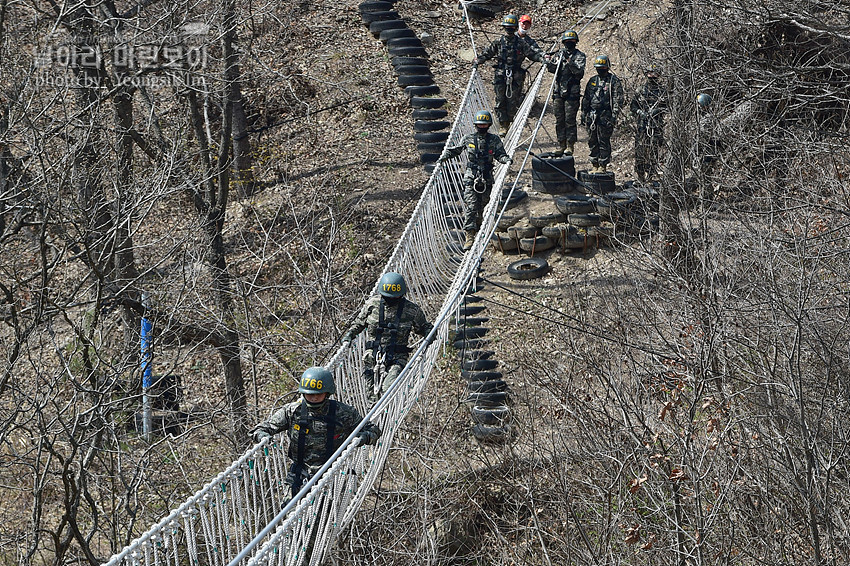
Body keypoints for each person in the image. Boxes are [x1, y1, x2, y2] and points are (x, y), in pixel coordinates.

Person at [252, 366, 382, 499]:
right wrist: (263, 436)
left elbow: (373, 430)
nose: (314, 398)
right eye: (310, 394)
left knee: (326, 516)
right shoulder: (292, 412)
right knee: (291, 513)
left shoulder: (344, 413)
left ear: (327, 393)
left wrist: (363, 438)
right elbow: (261, 428)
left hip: (333, 475)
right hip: (300, 474)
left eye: (318, 394)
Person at [342, 272, 433, 402]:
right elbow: (358, 324)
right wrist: (349, 335)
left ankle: (386, 414)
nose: (390, 300)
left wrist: (431, 331)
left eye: (394, 298)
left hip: (397, 358)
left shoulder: (411, 310)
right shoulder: (372, 305)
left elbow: (423, 327)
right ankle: (373, 420)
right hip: (372, 357)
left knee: (388, 390)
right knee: (372, 399)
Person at [438, 110, 512, 249]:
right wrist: (444, 156)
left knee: (483, 204)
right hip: (471, 177)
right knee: (471, 206)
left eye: (485, 125)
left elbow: (500, 154)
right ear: (475, 125)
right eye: (480, 124)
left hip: (487, 178)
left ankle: (478, 223)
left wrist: (506, 160)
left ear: (489, 125)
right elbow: (456, 150)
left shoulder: (494, 140)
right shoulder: (468, 138)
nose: (482, 127)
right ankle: (469, 235)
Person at [473, 14, 548, 135]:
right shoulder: (499, 41)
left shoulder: (521, 43)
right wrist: (478, 60)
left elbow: (531, 54)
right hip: (500, 75)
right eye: (507, 27)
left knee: (512, 102)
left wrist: (541, 59)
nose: (509, 30)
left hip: (516, 76)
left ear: (514, 28)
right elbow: (488, 53)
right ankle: (503, 125)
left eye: (511, 27)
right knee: (500, 101)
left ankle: (509, 123)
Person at [580, 54, 624, 173]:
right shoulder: (593, 80)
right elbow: (586, 98)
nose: (600, 70)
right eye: (598, 67)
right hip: (592, 115)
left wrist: (614, 116)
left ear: (607, 67)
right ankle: (594, 164)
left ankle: (603, 165)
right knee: (592, 140)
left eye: (602, 67)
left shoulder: (613, 81)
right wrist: (583, 113)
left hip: (606, 115)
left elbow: (618, 99)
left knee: (604, 141)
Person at [547, 30, 586, 156]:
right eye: (567, 41)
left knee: (570, 120)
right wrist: (548, 61)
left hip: (571, 93)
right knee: (559, 120)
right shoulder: (559, 54)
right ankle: (561, 144)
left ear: (575, 42)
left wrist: (568, 61)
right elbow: (552, 69)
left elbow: (579, 72)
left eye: (572, 41)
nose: (569, 43)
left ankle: (570, 145)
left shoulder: (580, 56)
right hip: (558, 92)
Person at [630, 64, 667, 182]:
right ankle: (640, 177)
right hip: (642, 126)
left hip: (656, 126)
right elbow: (633, 106)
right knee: (640, 152)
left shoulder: (662, 92)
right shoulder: (640, 90)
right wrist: (640, 112)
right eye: (650, 73)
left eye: (654, 73)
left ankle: (651, 176)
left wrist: (658, 111)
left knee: (653, 152)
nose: (652, 76)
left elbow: (667, 107)